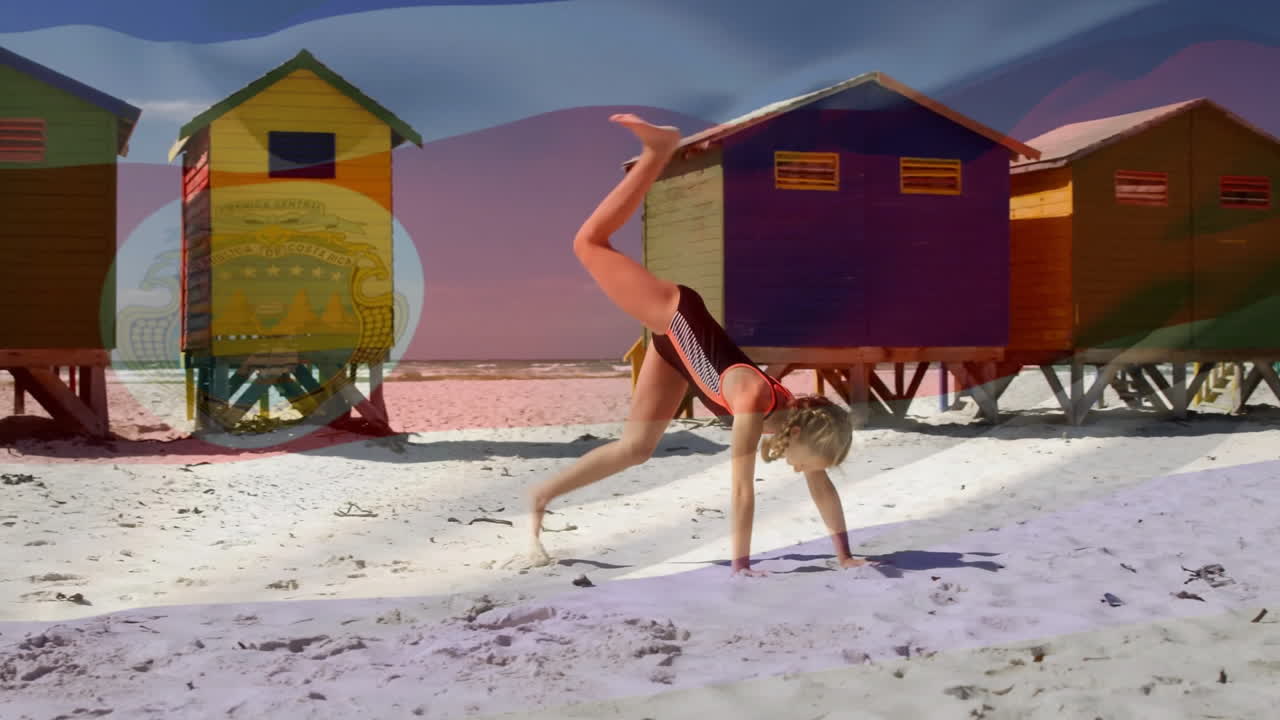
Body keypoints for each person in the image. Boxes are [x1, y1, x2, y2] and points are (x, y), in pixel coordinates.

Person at [525, 113, 870, 577]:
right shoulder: (754, 402)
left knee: (636, 448)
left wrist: (844, 555)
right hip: (676, 315)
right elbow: (742, 491)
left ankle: (542, 495)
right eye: (816, 461)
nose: (807, 471)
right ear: (803, 436)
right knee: (589, 242)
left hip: (674, 353)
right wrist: (741, 566)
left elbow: (822, 488)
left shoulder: (796, 422)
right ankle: (658, 151)